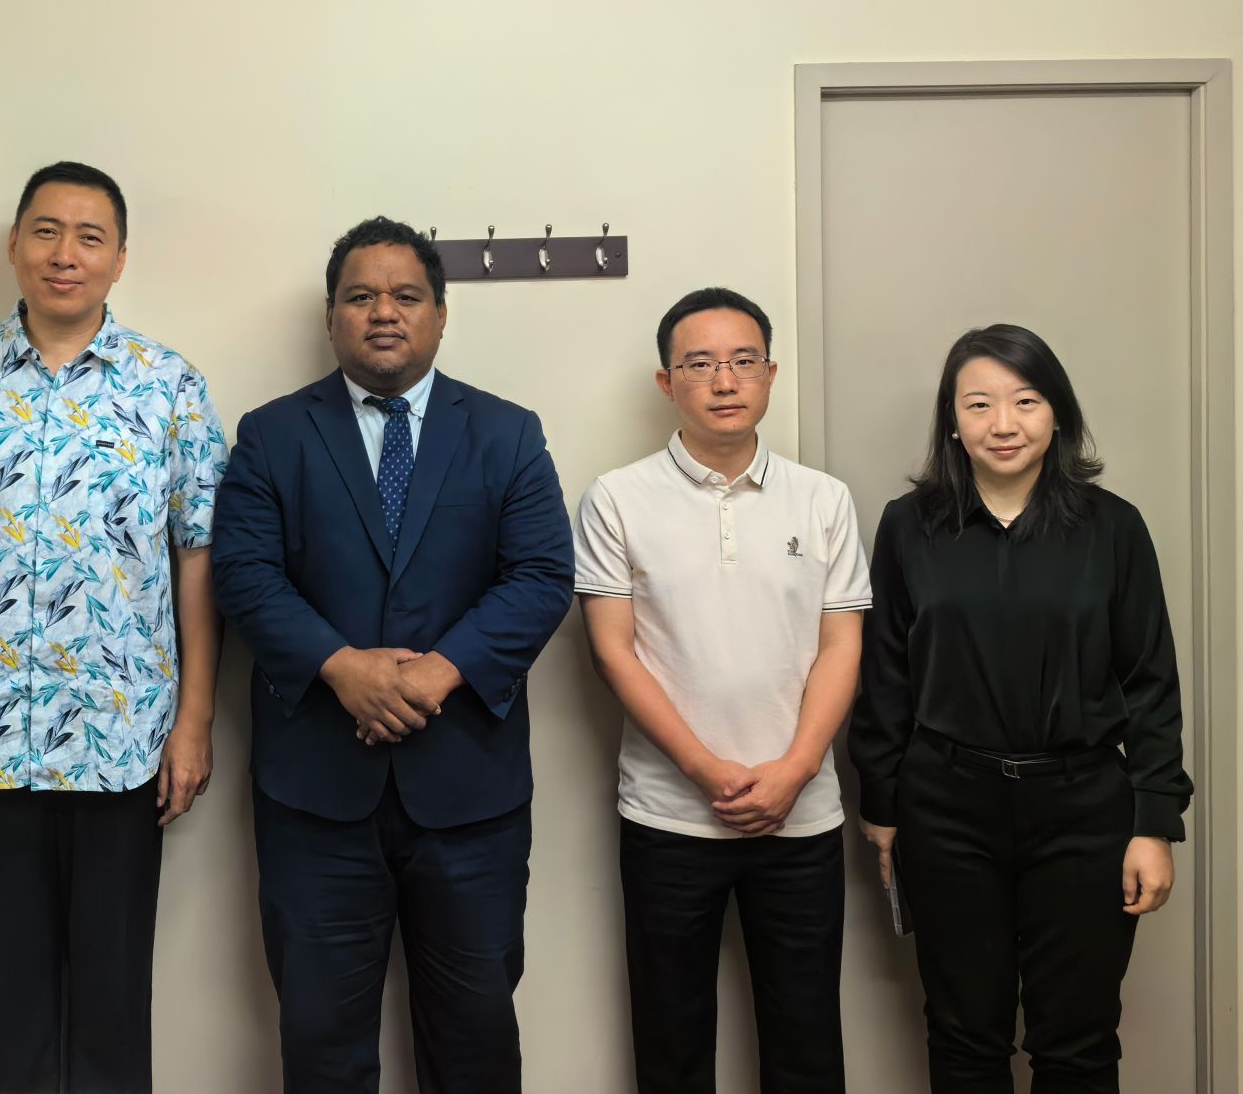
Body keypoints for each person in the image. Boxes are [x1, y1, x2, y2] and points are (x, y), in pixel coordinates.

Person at [0, 160, 228, 1094]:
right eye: (46, 230)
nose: (65, 254)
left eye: (89, 236)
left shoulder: (169, 386)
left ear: (119, 259)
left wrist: (194, 721)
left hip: (126, 739)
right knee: (10, 999)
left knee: (113, 1002)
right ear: (14, 245)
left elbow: (200, 553)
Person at [211, 215, 574, 1094]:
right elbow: (244, 575)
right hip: (315, 795)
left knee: (475, 1041)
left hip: (470, 793)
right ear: (331, 316)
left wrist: (433, 675)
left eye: (406, 296)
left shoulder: (507, 433)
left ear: (440, 315)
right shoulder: (273, 434)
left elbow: (541, 576)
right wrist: (345, 669)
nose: (384, 312)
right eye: (361, 297)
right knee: (322, 1045)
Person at [848, 324, 1191, 1093]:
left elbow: (1149, 682)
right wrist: (883, 805)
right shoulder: (910, 526)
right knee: (963, 1034)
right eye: (979, 405)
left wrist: (1153, 822)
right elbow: (887, 673)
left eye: (1026, 401)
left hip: (1083, 809)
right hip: (947, 807)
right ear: (952, 422)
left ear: (1057, 412)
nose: (1003, 424)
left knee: (1078, 1041)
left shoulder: (1113, 528)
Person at [576, 287, 868, 1094]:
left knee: (807, 1043)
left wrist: (796, 768)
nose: (725, 380)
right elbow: (613, 652)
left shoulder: (824, 498)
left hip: (802, 814)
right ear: (666, 383)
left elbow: (843, 645)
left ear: (771, 373)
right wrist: (706, 770)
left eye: (743, 361)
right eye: (699, 364)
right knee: (671, 1046)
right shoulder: (617, 497)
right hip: (669, 815)